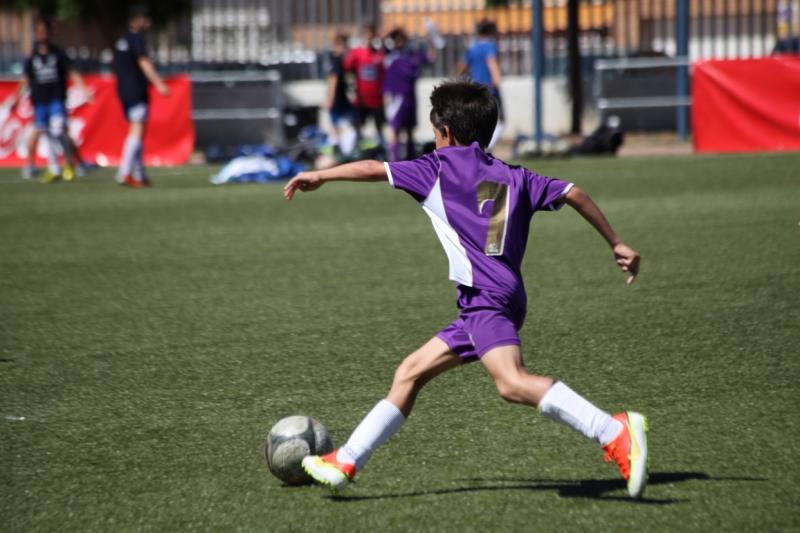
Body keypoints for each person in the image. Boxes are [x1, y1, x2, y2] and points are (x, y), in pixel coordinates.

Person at [283, 80, 648, 499]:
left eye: (435, 133)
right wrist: (616, 242)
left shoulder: (436, 168)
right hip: (502, 298)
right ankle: (346, 460)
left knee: (511, 383)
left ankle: (613, 429)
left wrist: (321, 175)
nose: (433, 142)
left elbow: (373, 167)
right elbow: (573, 192)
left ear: (447, 134)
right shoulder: (516, 175)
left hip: (486, 301)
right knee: (410, 372)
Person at [8, 18, 89, 183]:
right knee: (46, 133)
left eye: (44, 31)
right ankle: (53, 168)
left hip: (56, 99)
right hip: (39, 101)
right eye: (39, 32)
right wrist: (16, 98)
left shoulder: (58, 54)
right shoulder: (33, 56)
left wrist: (85, 89)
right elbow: (26, 78)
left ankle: (69, 163)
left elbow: (72, 72)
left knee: (58, 130)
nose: (42, 35)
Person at [113, 4, 170, 188]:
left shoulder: (122, 40)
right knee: (137, 131)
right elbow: (143, 62)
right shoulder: (136, 39)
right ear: (137, 20)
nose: (148, 22)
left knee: (138, 131)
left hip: (123, 92)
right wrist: (159, 83)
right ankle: (124, 172)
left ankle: (139, 174)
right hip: (136, 91)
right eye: (145, 18)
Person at [383, 27, 433, 161]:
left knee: (410, 130)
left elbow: (430, 58)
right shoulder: (390, 58)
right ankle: (395, 161)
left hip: (410, 98)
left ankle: (411, 160)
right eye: (397, 39)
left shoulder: (412, 57)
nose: (400, 42)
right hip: (396, 99)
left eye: (402, 39)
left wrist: (430, 38)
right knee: (395, 130)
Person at [458, 19, 504, 151]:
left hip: (475, 90)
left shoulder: (473, 47)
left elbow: (461, 66)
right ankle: (484, 150)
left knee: (478, 124)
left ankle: (477, 150)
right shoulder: (490, 46)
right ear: (490, 31)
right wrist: (497, 80)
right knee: (501, 123)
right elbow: (492, 62)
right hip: (489, 90)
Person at [344, 23, 386, 152]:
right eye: (366, 34)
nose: (369, 37)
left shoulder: (380, 53)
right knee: (359, 124)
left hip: (377, 98)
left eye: (371, 34)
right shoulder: (357, 53)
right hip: (362, 98)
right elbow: (347, 66)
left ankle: (382, 149)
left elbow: (385, 73)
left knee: (379, 126)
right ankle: (356, 148)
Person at [324, 33, 357, 158]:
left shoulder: (340, 61)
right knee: (337, 126)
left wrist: (330, 99)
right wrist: (330, 99)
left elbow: (337, 80)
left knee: (344, 126)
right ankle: (338, 152)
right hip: (339, 100)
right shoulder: (337, 61)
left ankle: (343, 151)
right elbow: (333, 80)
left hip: (342, 99)